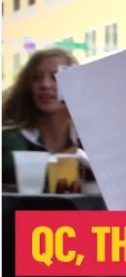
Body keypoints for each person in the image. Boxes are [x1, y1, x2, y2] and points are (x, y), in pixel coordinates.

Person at [2, 48, 82, 187]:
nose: (45, 84)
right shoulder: (8, 141)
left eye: (56, 77)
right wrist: (62, 160)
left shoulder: (90, 140)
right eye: (35, 78)